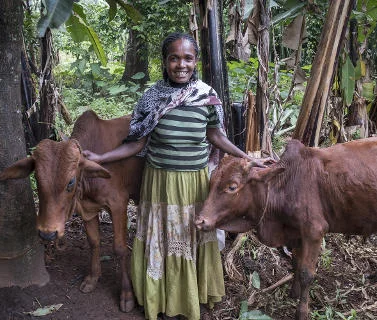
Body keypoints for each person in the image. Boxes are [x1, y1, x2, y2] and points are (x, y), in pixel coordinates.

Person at [83, 32, 265, 320]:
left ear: (195, 61)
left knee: (189, 236)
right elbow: (137, 143)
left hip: (194, 183)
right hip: (160, 183)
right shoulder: (151, 97)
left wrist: (246, 157)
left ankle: (191, 295)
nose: (181, 64)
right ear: (165, 62)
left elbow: (215, 135)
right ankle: (159, 297)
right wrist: (101, 157)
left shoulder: (207, 96)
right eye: (174, 58)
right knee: (162, 238)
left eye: (188, 58)